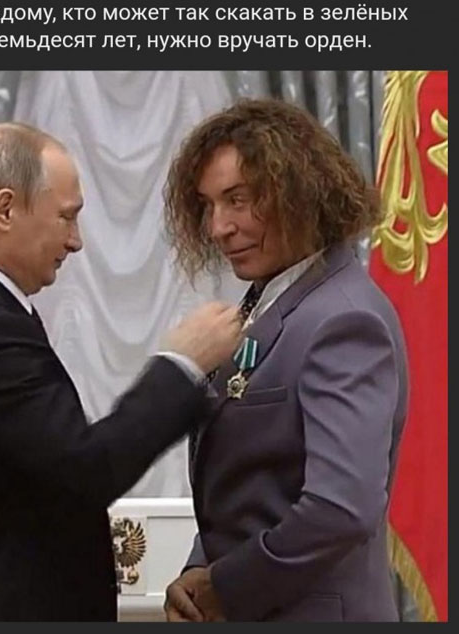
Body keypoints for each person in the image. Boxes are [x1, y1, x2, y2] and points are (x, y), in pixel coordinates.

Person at [0, 122, 243, 621]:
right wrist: (182, 364)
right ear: (5, 209)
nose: (76, 241)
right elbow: (87, 470)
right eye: (66, 217)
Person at [162, 99, 409, 622]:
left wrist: (225, 586)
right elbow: (246, 490)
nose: (218, 227)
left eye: (238, 200)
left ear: (299, 190)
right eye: (209, 205)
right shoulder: (270, 301)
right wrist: (199, 569)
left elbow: (340, 508)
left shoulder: (343, 319)